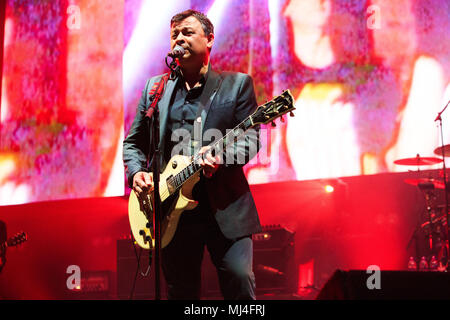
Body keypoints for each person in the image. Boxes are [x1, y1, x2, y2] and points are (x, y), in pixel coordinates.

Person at [123, 9, 262, 300]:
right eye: (175, 34)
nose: (179, 39)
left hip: (225, 207)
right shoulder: (155, 90)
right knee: (181, 292)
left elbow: (251, 140)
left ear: (209, 39)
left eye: (187, 32)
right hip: (171, 212)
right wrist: (137, 173)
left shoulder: (236, 85)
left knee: (239, 281)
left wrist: (221, 159)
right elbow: (133, 144)